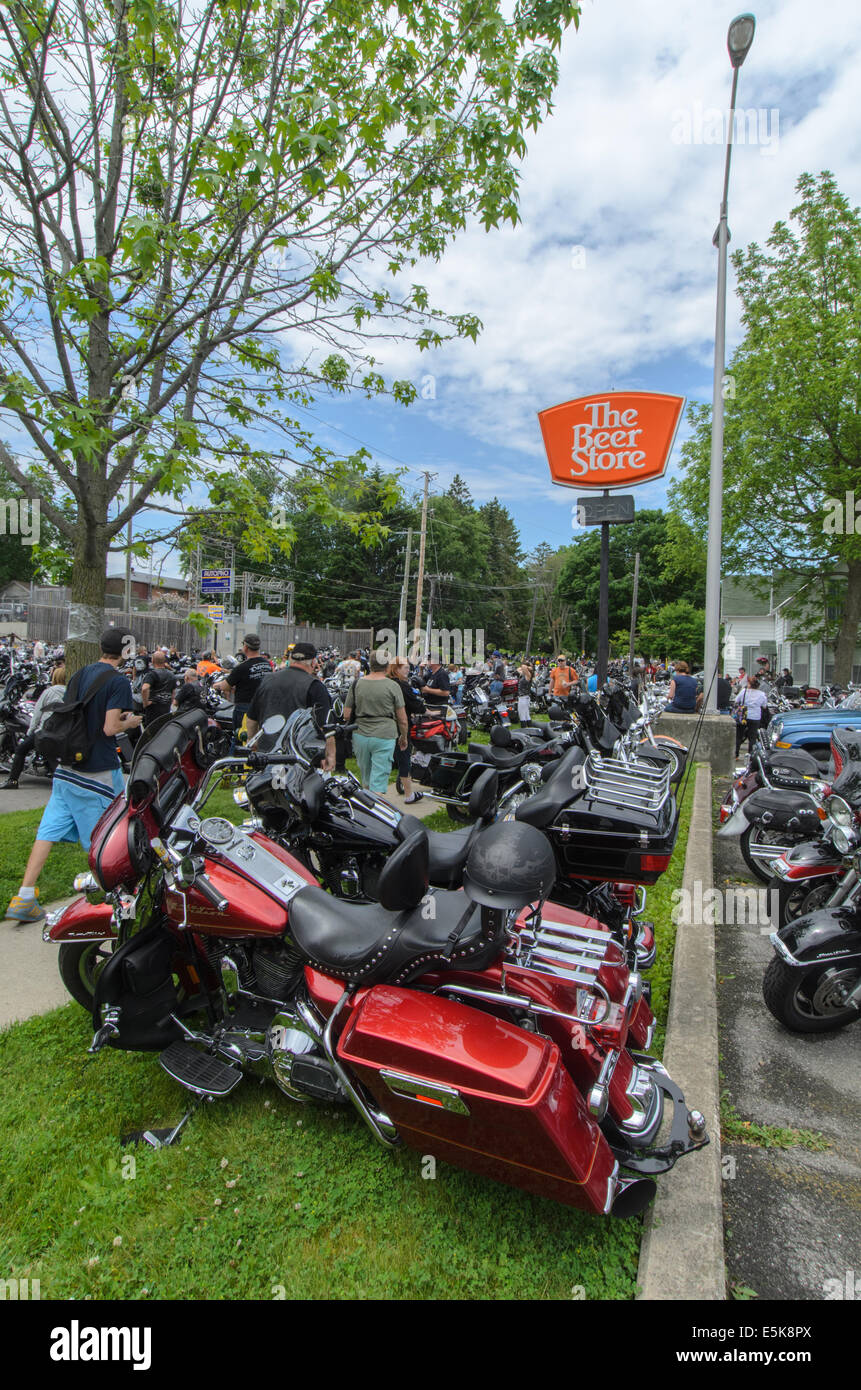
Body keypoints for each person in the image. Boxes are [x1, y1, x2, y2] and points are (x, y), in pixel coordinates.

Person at [5, 629, 142, 924]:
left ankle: (24, 896)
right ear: (126, 651)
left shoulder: (79, 674)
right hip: (97, 770)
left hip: (67, 766)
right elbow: (108, 728)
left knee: (48, 829)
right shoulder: (118, 681)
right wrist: (129, 722)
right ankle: (113, 903)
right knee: (103, 838)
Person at [244, 641, 336, 771]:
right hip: (300, 758)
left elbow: (252, 718)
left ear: (290, 659)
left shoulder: (268, 680)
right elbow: (325, 726)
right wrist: (330, 755)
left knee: (268, 789)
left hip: (267, 754)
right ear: (314, 662)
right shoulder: (315, 686)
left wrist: (252, 741)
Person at [343, 654, 408, 796]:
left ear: (370, 665)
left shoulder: (357, 684)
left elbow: (346, 714)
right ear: (387, 666)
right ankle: (376, 811)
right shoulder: (393, 686)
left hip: (360, 734)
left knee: (366, 777)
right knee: (378, 780)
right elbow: (402, 718)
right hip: (385, 734)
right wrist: (403, 736)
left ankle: (366, 806)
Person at [0, 663, 67, 789]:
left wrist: (30, 731)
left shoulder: (49, 692)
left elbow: (37, 714)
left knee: (21, 749)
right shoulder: (71, 692)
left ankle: (12, 781)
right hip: (64, 731)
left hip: (46, 731)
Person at [215, 634, 272, 749]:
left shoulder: (242, 667)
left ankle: (236, 763)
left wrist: (217, 685)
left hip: (245, 709)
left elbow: (226, 686)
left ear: (245, 647)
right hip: (263, 707)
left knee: (241, 738)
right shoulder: (267, 665)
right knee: (259, 739)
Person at [387, 658, 425, 804]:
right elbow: (412, 704)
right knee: (404, 757)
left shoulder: (388, 683)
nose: (408, 670)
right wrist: (426, 710)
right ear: (396, 669)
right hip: (400, 725)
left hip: (384, 726)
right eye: (405, 668)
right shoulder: (402, 685)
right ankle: (409, 794)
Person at [140, 650, 179, 728]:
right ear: (164, 661)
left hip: (153, 710)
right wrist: (169, 702)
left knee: (152, 732)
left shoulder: (151, 675)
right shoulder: (172, 675)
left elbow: (145, 688)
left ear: (152, 660)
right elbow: (174, 692)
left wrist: (145, 703)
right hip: (166, 708)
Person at [734, 674, 768, 755]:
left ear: (749, 684)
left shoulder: (744, 691)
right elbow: (764, 705)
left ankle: (736, 753)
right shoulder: (762, 694)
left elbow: (736, 700)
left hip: (743, 715)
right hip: (755, 716)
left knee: (739, 735)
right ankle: (751, 754)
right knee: (752, 737)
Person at [516, 662, 533, 726]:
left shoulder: (528, 675)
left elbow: (523, 666)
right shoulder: (524, 675)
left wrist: (528, 667)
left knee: (522, 715)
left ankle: (524, 728)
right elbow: (518, 669)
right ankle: (530, 728)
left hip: (523, 697)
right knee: (526, 714)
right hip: (525, 697)